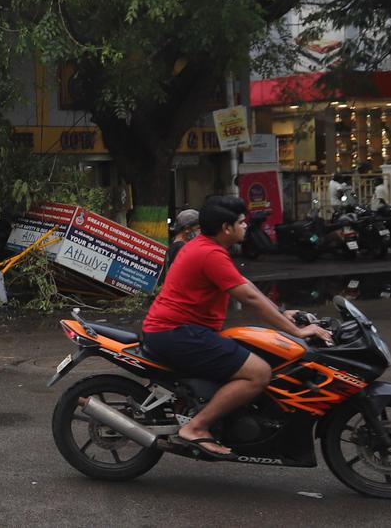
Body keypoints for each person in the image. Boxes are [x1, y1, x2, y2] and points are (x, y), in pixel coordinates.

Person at [141, 196, 333, 459]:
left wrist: (282, 314)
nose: (246, 227)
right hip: (177, 332)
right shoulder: (209, 253)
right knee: (259, 373)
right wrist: (297, 332)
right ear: (226, 227)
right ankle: (196, 428)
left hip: (182, 330)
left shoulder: (207, 246)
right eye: (242, 222)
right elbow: (250, 299)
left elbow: (247, 286)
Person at [163, 209, 200, 277]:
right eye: (198, 228)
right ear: (187, 229)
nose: (200, 232)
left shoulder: (174, 244)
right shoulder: (182, 248)